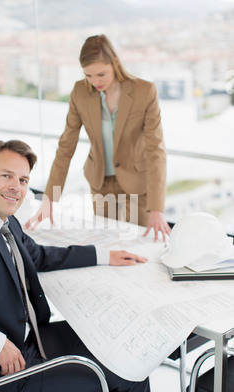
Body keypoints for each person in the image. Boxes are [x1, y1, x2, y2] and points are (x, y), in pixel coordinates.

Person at [0, 140, 181, 392]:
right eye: (6, 176)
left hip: (31, 340)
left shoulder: (1, 219)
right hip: (12, 375)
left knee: (121, 339)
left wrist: (103, 255)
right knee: (132, 368)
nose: (16, 186)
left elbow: (37, 255)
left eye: (23, 179)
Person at [25, 34, 171, 242]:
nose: (95, 82)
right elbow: (66, 146)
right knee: (106, 244)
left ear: (116, 63)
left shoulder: (144, 91)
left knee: (142, 244)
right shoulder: (80, 92)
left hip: (138, 182)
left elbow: (156, 150)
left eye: (101, 74)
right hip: (101, 181)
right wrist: (49, 199)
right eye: (88, 76)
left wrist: (157, 209)